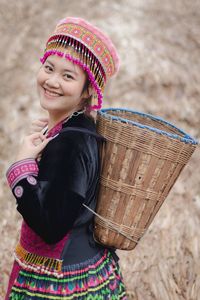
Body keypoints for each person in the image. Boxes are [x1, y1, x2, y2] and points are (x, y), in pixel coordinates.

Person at [5, 17, 127, 299]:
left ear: (88, 90)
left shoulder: (71, 142)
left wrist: (21, 168)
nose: (52, 81)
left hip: (61, 284)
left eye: (68, 76)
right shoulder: (75, 130)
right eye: (49, 68)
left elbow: (52, 225)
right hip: (85, 268)